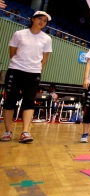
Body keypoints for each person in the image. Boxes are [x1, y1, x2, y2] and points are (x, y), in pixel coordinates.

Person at [1, 11, 52, 143]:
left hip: (33, 73)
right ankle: (7, 131)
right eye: (39, 19)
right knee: (9, 101)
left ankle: (25, 132)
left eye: (45, 21)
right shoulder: (19, 34)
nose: (42, 22)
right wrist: (20, 64)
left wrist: (38, 70)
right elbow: (12, 53)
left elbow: (45, 58)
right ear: (33, 19)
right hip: (15, 70)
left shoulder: (47, 39)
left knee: (29, 101)